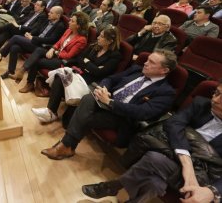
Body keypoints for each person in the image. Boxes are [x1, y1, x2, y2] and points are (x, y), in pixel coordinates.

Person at [82, 80, 222, 203]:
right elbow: (173, 123)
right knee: (155, 183)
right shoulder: (201, 103)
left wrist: (213, 191)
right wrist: (187, 163)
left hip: (203, 173)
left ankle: (113, 186)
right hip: (173, 151)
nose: (215, 100)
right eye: (216, 93)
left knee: (154, 160)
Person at [40, 50, 177, 159]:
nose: (145, 63)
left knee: (85, 114)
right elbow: (110, 79)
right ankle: (66, 146)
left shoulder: (166, 92)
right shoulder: (136, 70)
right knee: (88, 98)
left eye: (151, 62)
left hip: (123, 118)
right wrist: (103, 88)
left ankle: (66, 145)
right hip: (105, 102)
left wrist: (111, 103)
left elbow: (142, 112)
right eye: (147, 60)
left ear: (164, 70)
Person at [31, 26, 121, 123]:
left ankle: (56, 110)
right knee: (59, 76)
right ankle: (51, 112)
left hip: (91, 82)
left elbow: (100, 73)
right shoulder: (94, 45)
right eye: (99, 35)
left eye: (102, 36)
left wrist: (87, 62)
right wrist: (91, 66)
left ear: (109, 41)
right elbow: (80, 58)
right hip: (80, 73)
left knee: (66, 123)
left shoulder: (115, 56)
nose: (98, 37)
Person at [13, 12, 90, 93]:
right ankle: (22, 70)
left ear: (78, 26)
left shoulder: (82, 40)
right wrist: (52, 49)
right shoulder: (68, 31)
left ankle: (29, 84)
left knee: (37, 61)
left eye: (72, 21)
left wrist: (56, 52)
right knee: (39, 50)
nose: (69, 22)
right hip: (56, 53)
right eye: (70, 19)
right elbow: (59, 42)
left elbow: (69, 55)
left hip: (62, 61)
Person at [0, 6, 65, 79]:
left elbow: (51, 40)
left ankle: (0, 55)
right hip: (35, 42)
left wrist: (33, 38)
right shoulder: (47, 20)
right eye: (49, 12)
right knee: (14, 48)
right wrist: (30, 33)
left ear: (58, 15)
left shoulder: (60, 26)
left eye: (51, 13)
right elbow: (38, 30)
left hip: (42, 47)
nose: (48, 14)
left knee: (16, 37)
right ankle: (10, 71)